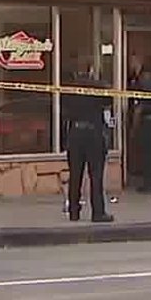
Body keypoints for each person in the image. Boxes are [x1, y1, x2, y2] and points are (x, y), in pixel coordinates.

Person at [62, 72, 114, 223]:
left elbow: (64, 110)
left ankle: (73, 211)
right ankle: (98, 212)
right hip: (93, 135)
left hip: (76, 134)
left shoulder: (70, 92)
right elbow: (109, 99)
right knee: (96, 176)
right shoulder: (97, 89)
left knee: (75, 175)